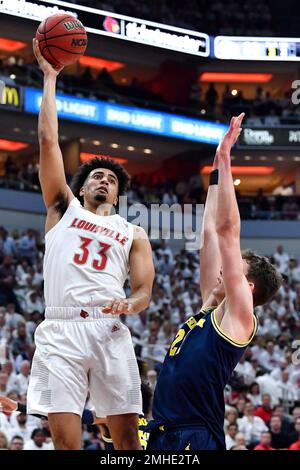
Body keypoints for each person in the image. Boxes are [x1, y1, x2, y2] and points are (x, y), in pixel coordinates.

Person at [26, 39, 155, 451]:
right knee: (66, 443)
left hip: (109, 329)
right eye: (96, 176)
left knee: (128, 446)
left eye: (111, 179)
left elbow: (144, 291)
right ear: (81, 188)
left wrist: (130, 305)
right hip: (60, 328)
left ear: (117, 195)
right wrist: (50, 77)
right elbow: (48, 142)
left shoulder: (134, 232)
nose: (103, 180)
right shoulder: (63, 208)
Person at [147, 114, 282, 450]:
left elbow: (226, 232)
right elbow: (208, 233)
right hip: (163, 431)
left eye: (235, 267)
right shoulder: (210, 304)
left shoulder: (238, 317)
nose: (224, 268)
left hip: (196, 435)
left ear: (247, 287)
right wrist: (215, 169)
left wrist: (227, 158)